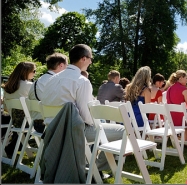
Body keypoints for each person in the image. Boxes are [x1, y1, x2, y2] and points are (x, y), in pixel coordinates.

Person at [39, 44, 124, 175]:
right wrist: (98, 123)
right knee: (123, 131)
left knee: (97, 126)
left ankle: (91, 167)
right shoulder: (81, 81)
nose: (91, 61)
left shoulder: (51, 79)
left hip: (50, 130)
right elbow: (86, 116)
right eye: (91, 58)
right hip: (72, 132)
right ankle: (96, 168)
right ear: (83, 58)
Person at [2, 61, 36, 156]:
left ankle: (10, 149)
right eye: (34, 71)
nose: (35, 73)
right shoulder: (29, 86)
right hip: (30, 122)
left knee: (22, 131)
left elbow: (5, 108)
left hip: (15, 121)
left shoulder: (8, 87)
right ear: (26, 72)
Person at [29, 53, 68, 125]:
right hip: (49, 125)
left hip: (35, 124)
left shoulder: (38, 81)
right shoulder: (56, 81)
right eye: (67, 66)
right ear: (61, 65)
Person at [166, 70, 187, 144]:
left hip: (170, 119)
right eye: (186, 78)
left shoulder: (169, 89)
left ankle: (184, 140)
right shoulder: (184, 89)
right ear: (181, 78)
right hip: (181, 119)